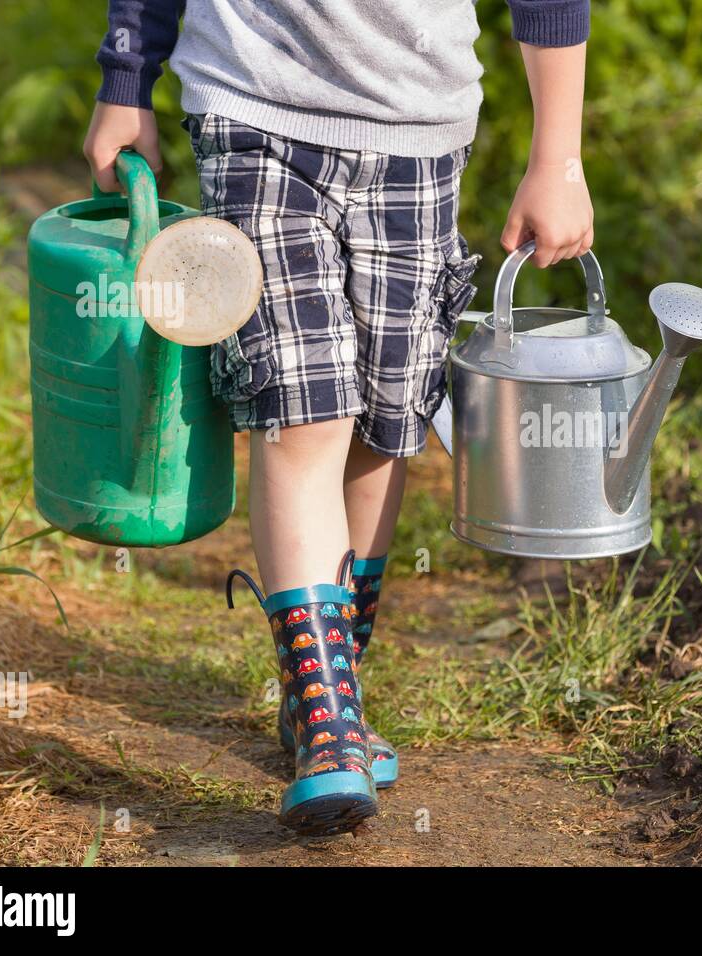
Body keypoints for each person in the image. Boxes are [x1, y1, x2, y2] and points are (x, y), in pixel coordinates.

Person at [83, 0, 594, 835]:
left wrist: (559, 156)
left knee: (384, 423)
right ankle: (329, 727)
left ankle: (327, 688)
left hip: (420, 129)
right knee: (304, 409)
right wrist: (127, 76)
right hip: (253, 108)